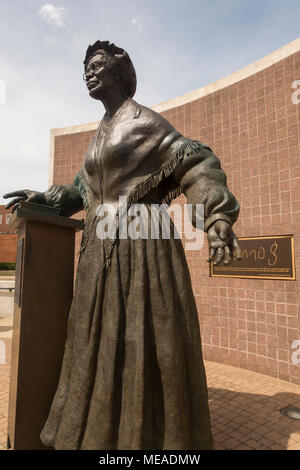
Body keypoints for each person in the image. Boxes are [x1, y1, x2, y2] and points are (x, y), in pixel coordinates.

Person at [4, 40, 242, 450]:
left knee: (144, 336)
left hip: (142, 244)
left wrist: (216, 216)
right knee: (97, 336)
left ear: (119, 72)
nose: (89, 73)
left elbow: (195, 161)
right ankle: (99, 432)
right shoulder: (103, 129)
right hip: (101, 246)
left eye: (97, 66)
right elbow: (84, 188)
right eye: (86, 68)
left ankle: (149, 438)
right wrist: (46, 196)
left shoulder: (143, 121)